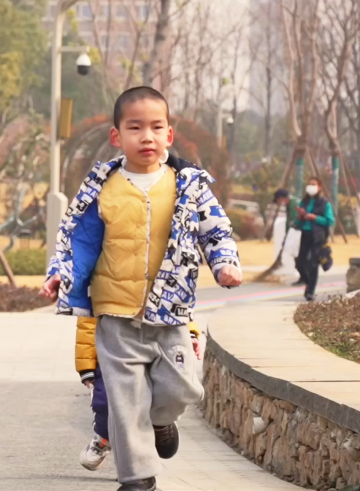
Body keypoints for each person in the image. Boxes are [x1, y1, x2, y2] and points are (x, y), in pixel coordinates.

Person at [42, 86, 241, 491]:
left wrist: (224, 263)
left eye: (156, 127)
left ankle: (163, 421)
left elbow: (215, 230)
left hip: (171, 313)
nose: (146, 137)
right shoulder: (101, 186)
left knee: (181, 388)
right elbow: (78, 239)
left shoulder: (189, 184)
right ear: (117, 136)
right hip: (116, 315)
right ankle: (138, 480)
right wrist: (62, 273)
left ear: (169, 134)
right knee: (126, 402)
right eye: (135, 128)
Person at [75, 317, 201, 471]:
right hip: (113, 350)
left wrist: (189, 333)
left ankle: (161, 420)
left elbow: (179, 306)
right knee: (106, 401)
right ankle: (104, 438)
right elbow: (87, 323)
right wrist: (86, 365)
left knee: (168, 387)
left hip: (156, 344)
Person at [294, 177, 334, 301]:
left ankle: (310, 291)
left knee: (313, 263)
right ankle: (308, 282)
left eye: (314, 184)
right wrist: (300, 216)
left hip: (318, 236)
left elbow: (330, 220)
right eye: (309, 184)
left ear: (319, 187)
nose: (311, 187)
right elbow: (297, 221)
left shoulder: (324, 203)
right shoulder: (304, 202)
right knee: (300, 264)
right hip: (305, 234)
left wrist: (315, 218)